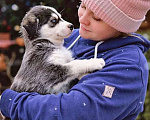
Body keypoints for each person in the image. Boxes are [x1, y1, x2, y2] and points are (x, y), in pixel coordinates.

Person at [0, 0, 150, 119]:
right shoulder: (70, 37)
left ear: (121, 26)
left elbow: (70, 112)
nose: (83, 19)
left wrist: (9, 102)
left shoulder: (129, 66)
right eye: (83, 5)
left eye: (97, 17)